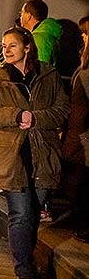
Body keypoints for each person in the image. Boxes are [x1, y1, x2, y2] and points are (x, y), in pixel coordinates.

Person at [0, 26, 69, 279]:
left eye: (12, 45)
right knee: (20, 215)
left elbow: (63, 109)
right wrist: (16, 115)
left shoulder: (49, 75)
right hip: (12, 156)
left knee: (32, 215)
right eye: (5, 45)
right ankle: (25, 273)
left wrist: (37, 118)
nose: (6, 50)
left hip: (43, 155)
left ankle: (27, 261)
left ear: (27, 47)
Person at [62, 17, 89, 241]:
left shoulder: (87, 72)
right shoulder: (83, 67)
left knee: (81, 183)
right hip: (78, 132)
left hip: (83, 135)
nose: (81, 37)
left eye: (85, 33)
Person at [20, 0, 62, 66]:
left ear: (29, 16)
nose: (20, 17)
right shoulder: (45, 34)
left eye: (22, 13)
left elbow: (41, 69)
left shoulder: (38, 39)